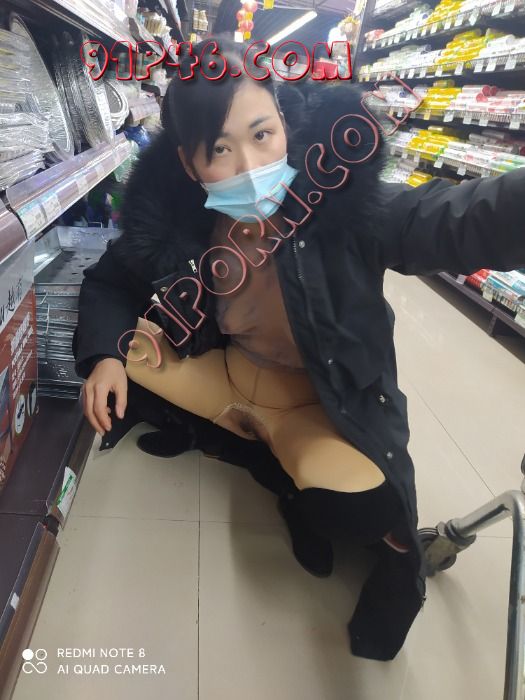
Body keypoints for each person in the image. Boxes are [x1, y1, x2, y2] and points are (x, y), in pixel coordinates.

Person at [72, 34, 525, 661]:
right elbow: (108, 282)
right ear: (188, 164)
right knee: (128, 350)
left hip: (314, 402)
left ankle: (276, 465)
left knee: (362, 513)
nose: (249, 165)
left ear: (286, 121)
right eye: (220, 150)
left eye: (262, 134)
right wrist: (102, 357)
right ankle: (242, 437)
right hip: (226, 377)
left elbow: (450, 217)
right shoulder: (178, 222)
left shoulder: (342, 204)